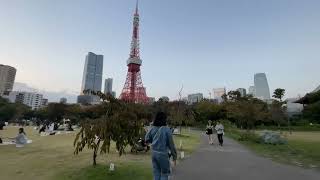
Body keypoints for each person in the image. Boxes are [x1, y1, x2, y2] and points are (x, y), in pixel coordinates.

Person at [145, 112, 177, 180]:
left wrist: (152, 142)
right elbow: (171, 145)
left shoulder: (152, 128)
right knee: (164, 174)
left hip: (154, 153)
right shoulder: (167, 129)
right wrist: (174, 157)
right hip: (163, 154)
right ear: (164, 119)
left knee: (156, 173)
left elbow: (146, 139)